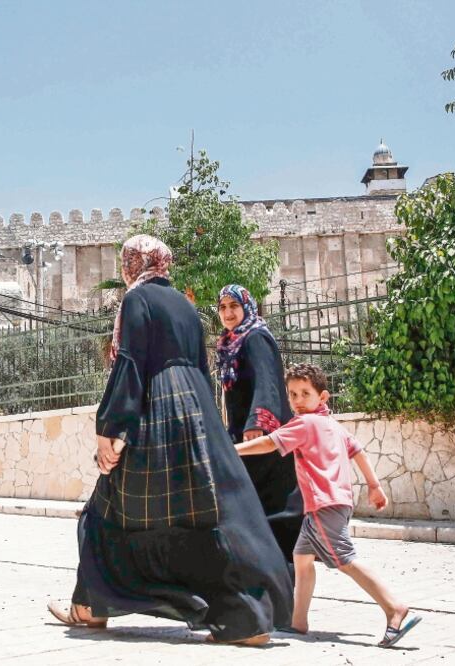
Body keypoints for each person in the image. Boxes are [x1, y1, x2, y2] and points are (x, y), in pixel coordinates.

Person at [47, 235, 293, 646]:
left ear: (134, 263)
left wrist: (111, 428)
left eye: (126, 261)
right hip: (196, 417)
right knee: (201, 516)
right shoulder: (185, 304)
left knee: (105, 509)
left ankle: (89, 607)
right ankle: (244, 617)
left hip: (154, 412)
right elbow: (201, 367)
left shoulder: (136, 300)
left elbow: (131, 364)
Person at [236, 363, 421, 648]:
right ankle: (298, 623)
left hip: (323, 505)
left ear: (322, 397)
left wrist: (233, 450)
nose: (298, 401)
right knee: (302, 558)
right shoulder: (332, 425)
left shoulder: (304, 424)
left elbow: (270, 443)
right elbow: (357, 450)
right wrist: (374, 485)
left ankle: (394, 608)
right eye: (292, 394)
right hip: (334, 504)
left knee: (344, 559)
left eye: (305, 394)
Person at [216, 285, 302, 561]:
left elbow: (267, 381)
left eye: (234, 306)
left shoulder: (255, 337)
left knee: (270, 501)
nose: (228, 313)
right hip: (244, 434)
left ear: (247, 307)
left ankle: (282, 565)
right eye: (223, 307)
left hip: (262, 435)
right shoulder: (231, 342)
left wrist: (257, 422)